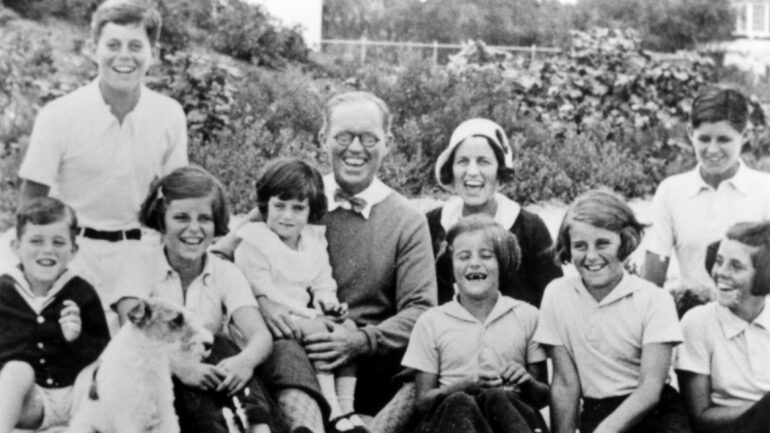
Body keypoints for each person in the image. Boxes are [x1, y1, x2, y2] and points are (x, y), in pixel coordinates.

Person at [214, 91, 436, 433]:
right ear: (323, 139)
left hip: (365, 365)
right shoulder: (294, 197)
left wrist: (362, 340)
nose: (355, 148)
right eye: (343, 137)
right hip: (290, 354)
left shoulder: (407, 220)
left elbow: (420, 309)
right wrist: (261, 302)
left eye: (368, 138)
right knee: (286, 358)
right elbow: (218, 258)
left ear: (388, 142)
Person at [17, 0, 188, 334]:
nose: (124, 56)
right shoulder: (60, 115)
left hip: (140, 253)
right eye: (113, 45)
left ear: (153, 52)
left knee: (142, 353)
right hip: (74, 252)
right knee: (69, 353)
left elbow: (176, 196)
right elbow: (32, 202)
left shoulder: (169, 114)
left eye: (136, 46)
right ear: (93, 49)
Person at [111, 166, 285, 433]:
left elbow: (259, 335)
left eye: (204, 218)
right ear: (161, 220)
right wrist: (181, 368)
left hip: (206, 376)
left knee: (225, 351)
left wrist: (245, 361)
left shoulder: (224, 271)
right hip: (151, 377)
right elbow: (133, 330)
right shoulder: (141, 263)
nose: (194, 229)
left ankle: (259, 428)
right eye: (181, 217)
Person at [535, 190, 691, 433]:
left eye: (603, 243)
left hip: (654, 411)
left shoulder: (654, 299)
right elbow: (565, 383)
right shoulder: (556, 294)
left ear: (625, 242)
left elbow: (650, 389)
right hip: (597, 409)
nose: (591, 256)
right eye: (579, 246)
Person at [232, 158, 364, 433]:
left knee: (348, 329)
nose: (287, 216)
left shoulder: (312, 241)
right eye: (279, 206)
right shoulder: (254, 243)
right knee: (319, 329)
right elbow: (263, 292)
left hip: (302, 316)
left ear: (310, 210)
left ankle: (347, 407)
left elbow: (322, 281)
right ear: (265, 206)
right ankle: (333, 411)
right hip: (266, 319)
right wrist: (312, 317)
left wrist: (330, 306)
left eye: (298, 208)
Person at [403, 215, 549, 433]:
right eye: (463, 256)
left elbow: (542, 397)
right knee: (459, 402)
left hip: (510, 422)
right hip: (452, 424)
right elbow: (422, 402)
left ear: (502, 262)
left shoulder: (527, 316)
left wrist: (526, 381)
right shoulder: (431, 321)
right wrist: (464, 386)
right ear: (451, 267)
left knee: (500, 397)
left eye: (486, 255)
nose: (474, 263)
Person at [643, 87, 770, 293]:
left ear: (744, 136)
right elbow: (652, 278)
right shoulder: (671, 191)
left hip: (756, 319)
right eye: (704, 139)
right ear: (690, 133)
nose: (712, 150)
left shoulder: (765, 190)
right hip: (690, 317)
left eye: (724, 139)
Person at [0, 197, 110, 433]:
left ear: (73, 250)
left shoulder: (82, 292)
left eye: (58, 242)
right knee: (17, 370)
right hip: (34, 403)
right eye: (36, 241)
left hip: (78, 398)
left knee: (102, 370)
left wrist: (77, 339)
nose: (47, 250)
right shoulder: (4, 292)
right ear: (16, 247)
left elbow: (104, 349)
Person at [427, 118, 561, 307]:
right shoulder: (431, 225)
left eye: (484, 162)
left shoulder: (530, 228)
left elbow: (553, 302)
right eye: (462, 161)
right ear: (451, 169)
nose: (472, 171)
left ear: (500, 170)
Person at [676, 221, 770, 433]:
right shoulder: (698, 323)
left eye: (736, 266)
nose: (721, 273)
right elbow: (700, 417)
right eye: (719, 261)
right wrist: (763, 410)